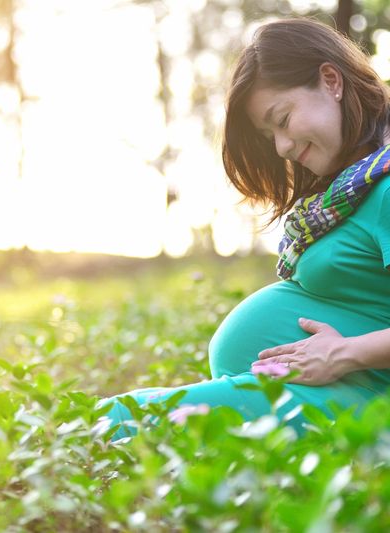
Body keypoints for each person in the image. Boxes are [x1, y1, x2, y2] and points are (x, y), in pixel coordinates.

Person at [98, 17, 390, 441]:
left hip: (370, 407)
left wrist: (345, 353)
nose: (282, 147)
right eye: (269, 134)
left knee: (120, 420)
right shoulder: (351, 190)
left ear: (331, 81)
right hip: (343, 393)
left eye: (283, 119)